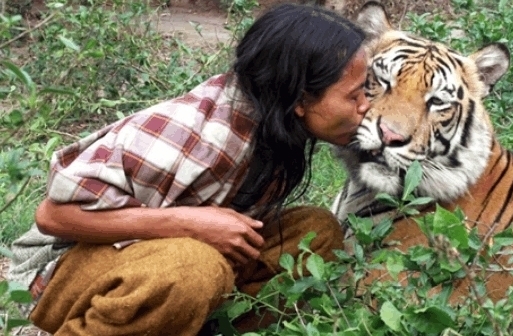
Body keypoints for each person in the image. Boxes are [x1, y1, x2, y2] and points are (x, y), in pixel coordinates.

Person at [7, 3, 370, 335]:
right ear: (301, 99)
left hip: (145, 260)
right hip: (55, 280)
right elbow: (53, 216)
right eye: (354, 95)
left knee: (315, 233)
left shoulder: (272, 126)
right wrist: (190, 224)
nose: (366, 107)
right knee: (192, 268)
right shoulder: (192, 134)